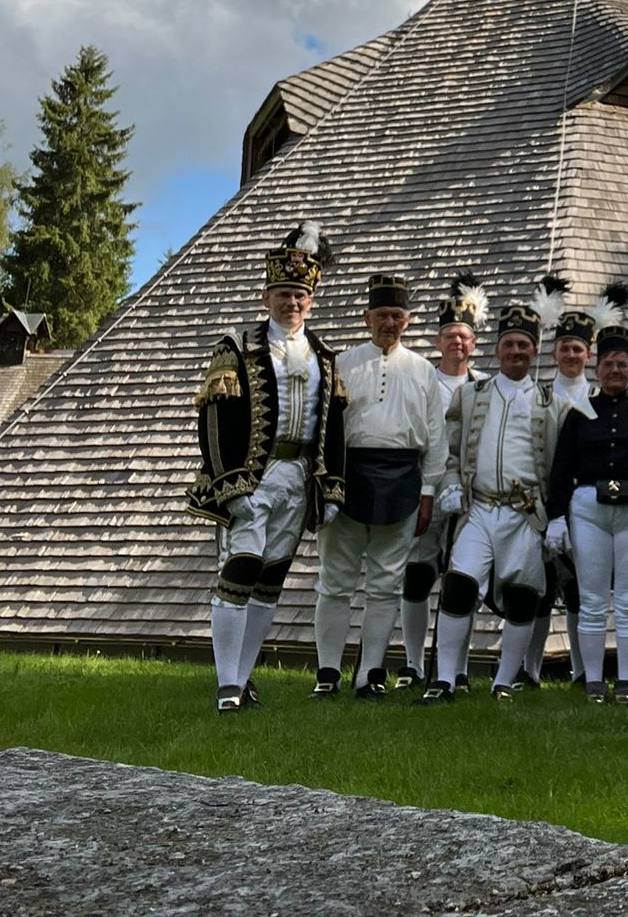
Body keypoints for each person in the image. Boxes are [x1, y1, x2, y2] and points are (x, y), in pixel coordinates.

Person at [189, 222, 347, 714]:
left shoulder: (324, 356)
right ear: (266, 297)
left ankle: (242, 679)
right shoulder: (237, 346)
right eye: (283, 294)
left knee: (270, 581)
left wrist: (331, 489)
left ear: (311, 301)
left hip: (297, 479)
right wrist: (229, 483)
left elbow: (334, 428)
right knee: (240, 569)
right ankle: (225, 685)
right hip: (251, 478)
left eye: (299, 295)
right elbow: (214, 418)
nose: (291, 303)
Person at [417, 295, 558, 704]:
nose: (516, 351)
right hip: (477, 508)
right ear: (497, 349)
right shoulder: (471, 395)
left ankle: (504, 682)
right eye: (509, 344)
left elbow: (559, 466)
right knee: (458, 584)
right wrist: (449, 485)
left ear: (534, 350)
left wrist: (557, 516)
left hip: (526, 513)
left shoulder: (552, 403)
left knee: (523, 595)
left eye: (523, 345)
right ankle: (445, 680)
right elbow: (449, 451)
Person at [311, 274, 441, 700]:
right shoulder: (341, 364)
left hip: (403, 479)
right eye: (382, 315)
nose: (390, 323)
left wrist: (427, 493)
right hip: (348, 476)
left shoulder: (423, 371)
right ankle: (327, 672)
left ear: (408, 320)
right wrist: (325, 485)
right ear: (367, 317)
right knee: (335, 580)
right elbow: (324, 430)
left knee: (386, 583)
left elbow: (436, 438)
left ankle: (369, 673)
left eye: (397, 316)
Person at [545, 292, 628, 703]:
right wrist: (556, 517)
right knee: (592, 598)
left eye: (623, 364)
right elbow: (561, 469)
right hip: (589, 511)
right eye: (608, 364)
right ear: (597, 367)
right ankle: (593, 681)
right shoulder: (579, 410)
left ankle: (626, 681)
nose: (616, 370)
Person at [397, 274, 487, 688]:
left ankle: (459, 668)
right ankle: (413, 663)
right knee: (416, 577)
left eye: (463, 337)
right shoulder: (420, 381)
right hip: (425, 489)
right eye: (450, 336)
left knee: (462, 581)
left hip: (468, 496)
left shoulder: (484, 388)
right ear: (437, 341)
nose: (457, 343)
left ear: (473, 343)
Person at [522, 276, 592, 688]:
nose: (570, 354)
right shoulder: (538, 397)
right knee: (540, 587)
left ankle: (582, 671)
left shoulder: (598, 400)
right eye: (564, 347)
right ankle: (528, 670)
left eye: (577, 348)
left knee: (581, 590)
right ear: (554, 353)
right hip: (541, 504)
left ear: (588, 354)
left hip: (587, 506)